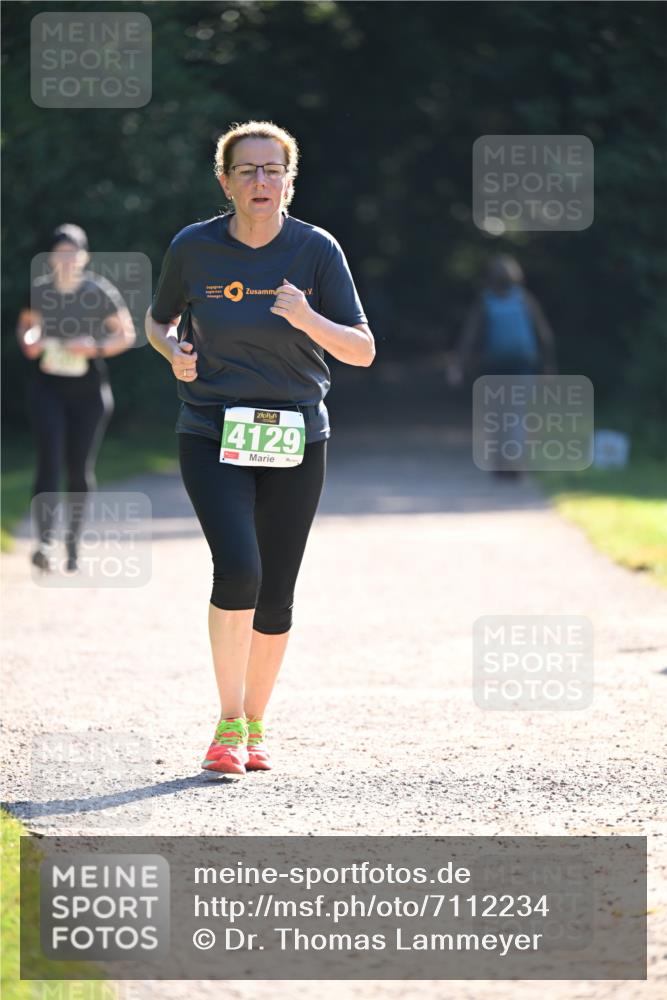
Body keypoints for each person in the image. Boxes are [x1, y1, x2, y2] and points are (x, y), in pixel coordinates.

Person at [146, 121, 375, 778]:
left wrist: (307, 317)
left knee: (275, 592)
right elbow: (158, 320)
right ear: (224, 181)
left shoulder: (316, 251)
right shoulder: (194, 248)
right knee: (238, 569)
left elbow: (361, 349)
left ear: (289, 181)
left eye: (272, 170)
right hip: (211, 428)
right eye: (246, 170)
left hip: (296, 435)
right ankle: (225, 724)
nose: (260, 182)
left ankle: (254, 722)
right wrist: (173, 353)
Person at [16, 224, 136, 571]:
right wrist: (30, 340)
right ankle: (45, 541)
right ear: (51, 257)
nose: (67, 259)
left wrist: (94, 346)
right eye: (60, 252)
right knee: (49, 463)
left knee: (78, 470)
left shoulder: (98, 291)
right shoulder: (39, 291)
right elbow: (26, 325)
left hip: (88, 393)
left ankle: (72, 543)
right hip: (47, 389)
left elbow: (125, 334)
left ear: (84, 257)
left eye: (73, 252)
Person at [450, 254, 556, 477]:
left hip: (494, 367)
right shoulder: (525, 300)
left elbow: (471, 336)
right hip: (522, 366)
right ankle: (516, 463)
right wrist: (547, 367)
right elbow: (544, 335)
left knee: (496, 417)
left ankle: (499, 465)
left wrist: (460, 365)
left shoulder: (485, 301)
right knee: (517, 415)